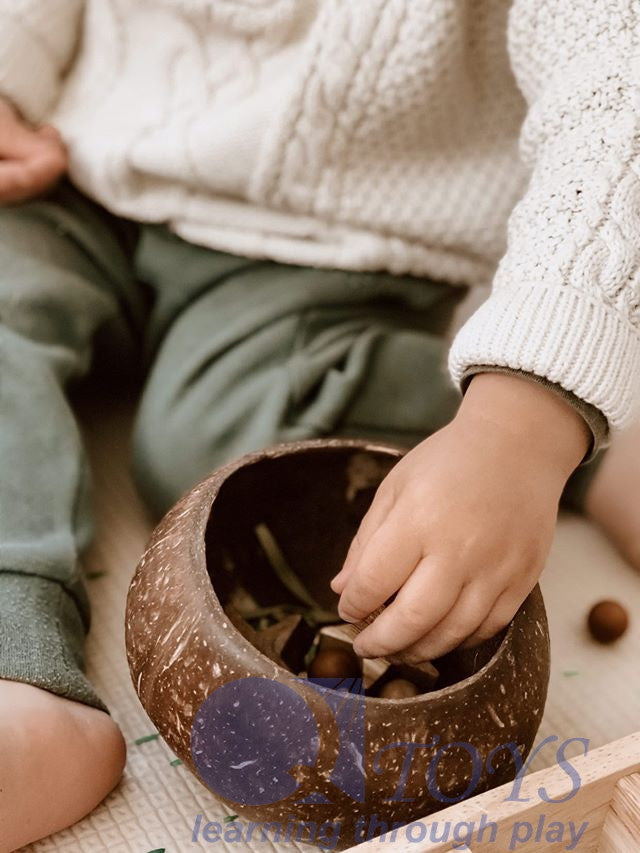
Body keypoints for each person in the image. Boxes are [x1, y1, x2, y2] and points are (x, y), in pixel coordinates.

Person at [1, 1, 639, 848]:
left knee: (223, 451)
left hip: (324, 245)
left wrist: (526, 423)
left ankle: (567, 407)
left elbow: (615, 89)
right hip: (75, 163)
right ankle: (16, 669)